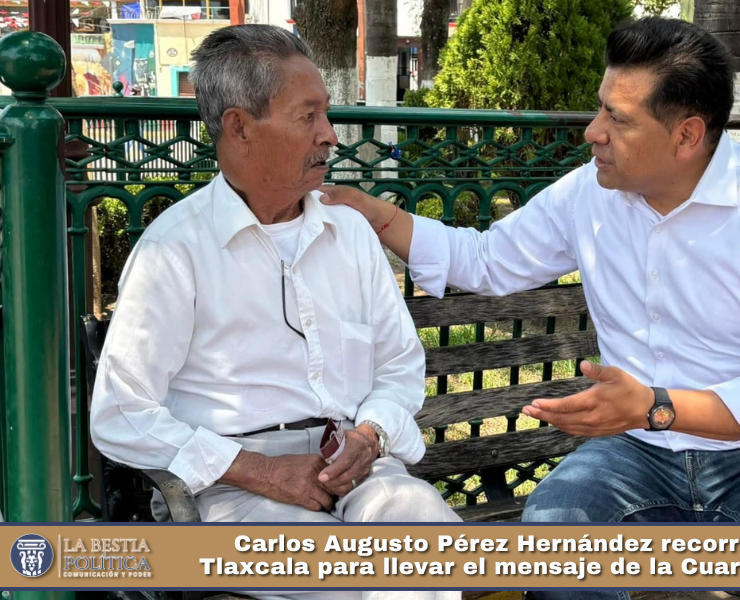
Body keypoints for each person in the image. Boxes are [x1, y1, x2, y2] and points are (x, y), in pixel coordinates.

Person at [321, 17, 740, 600]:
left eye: (618, 119)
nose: (593, 132)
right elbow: (487, 259)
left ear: (687, 136)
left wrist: (654, 406)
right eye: (601, 109)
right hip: (636, 454)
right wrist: (378, 215)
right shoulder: (589, 193)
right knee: (553, 545)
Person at [89, 24, 461, 600]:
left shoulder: (349, 234)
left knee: (426, 536)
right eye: (308, 116)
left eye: (325, 114)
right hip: (230, 492)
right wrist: (258, 471)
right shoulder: (176, 249)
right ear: (240, 127)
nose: (329, 135)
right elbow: (120, 412)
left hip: (354, 468)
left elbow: (398, 365)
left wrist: (369, 434)